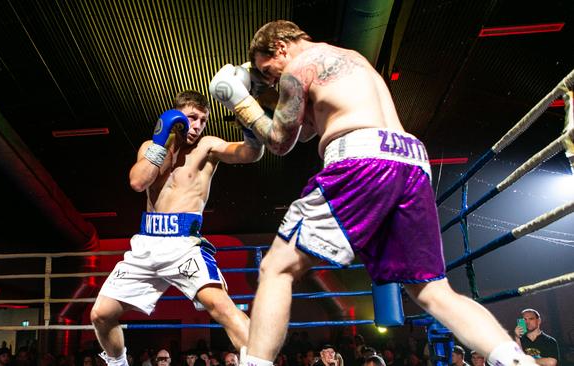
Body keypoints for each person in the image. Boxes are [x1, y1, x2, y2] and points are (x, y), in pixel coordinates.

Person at [208, 19, 535, 366]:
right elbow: (302, 131)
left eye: (267, 70)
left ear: (280, 48)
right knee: (432, 291)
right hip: (410, 161)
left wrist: (239, 100)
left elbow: (279, 142)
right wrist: (258, 98)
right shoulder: (352, 59)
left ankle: (256, 362)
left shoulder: (297, 68)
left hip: (362, 160)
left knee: (277, 266)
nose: (271, 80)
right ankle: (515, 361)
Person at [91, 90, 264, 366]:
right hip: (147, 244)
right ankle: (117, 363)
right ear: (175, 116)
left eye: (203, 120)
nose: (197, 125)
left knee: (221, 307)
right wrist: (163, 141)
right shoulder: (151, 146)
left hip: (184, 245)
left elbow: (248, 153)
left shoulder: (207, 147)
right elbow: (138, 182)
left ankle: (259, 362)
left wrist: (251, 126)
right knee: (100, 315)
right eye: (192, 118)